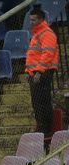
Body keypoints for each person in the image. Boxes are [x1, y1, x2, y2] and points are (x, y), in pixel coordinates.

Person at [26, 6, 58, 139]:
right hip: (35, 73)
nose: (31, 22)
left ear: (41, 20)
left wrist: (38, 71)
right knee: (37, 102)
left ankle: (45, 129)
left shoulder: (46, 34)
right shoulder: (37, 34)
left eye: (34, 20)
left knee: (42, 102)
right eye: (30, 20)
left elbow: (47, 54)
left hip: (42, 73)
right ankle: (42, 128)